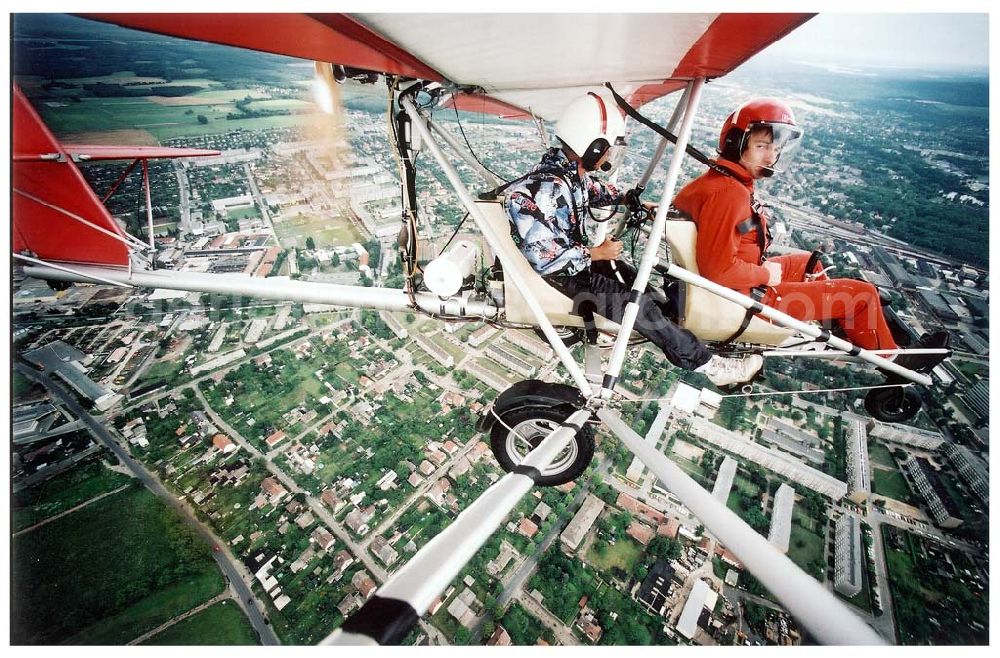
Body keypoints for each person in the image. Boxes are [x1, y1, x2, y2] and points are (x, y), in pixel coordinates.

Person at [505, 92, 763, 387]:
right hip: (563, 277)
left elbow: (594, 191)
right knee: (634, 305)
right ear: (592, 146)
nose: (607, 157)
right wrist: (595, 253)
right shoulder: (542, 189)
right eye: (606, 150)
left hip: (579, 268)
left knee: (639, 285)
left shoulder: (566, 173)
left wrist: (630, 199)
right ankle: (710, 367)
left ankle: (682, 337)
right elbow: (544, 258)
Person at [672, 98, 947, 371]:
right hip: (745, 299)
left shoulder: (719, 181)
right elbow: (718, 270)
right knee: (862, 295)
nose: (771, 157)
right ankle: (892, 359)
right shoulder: (729, 194)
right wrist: (766, 275)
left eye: (775, 147)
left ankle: (850, 327)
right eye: (761, 146)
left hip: (739, 284)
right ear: (735, 145)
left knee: (808, 263)